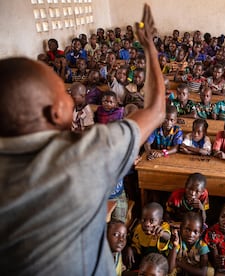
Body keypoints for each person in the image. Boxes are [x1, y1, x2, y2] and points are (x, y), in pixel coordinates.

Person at [0, 4, 165, 274]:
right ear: (55, 112)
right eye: (63, 94)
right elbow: (156, 111)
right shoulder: (82, 155)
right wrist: (150, 49)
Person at [126, 202, 171, 269]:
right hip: (145, 259)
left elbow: (168, 237)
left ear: (160, 222)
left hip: (161, 260)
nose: (146, 224)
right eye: (143, 220)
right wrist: (131, 249)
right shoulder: (138, 229)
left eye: (151, 221)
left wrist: (162, 234)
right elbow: (137, 247)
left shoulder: (163, 227)